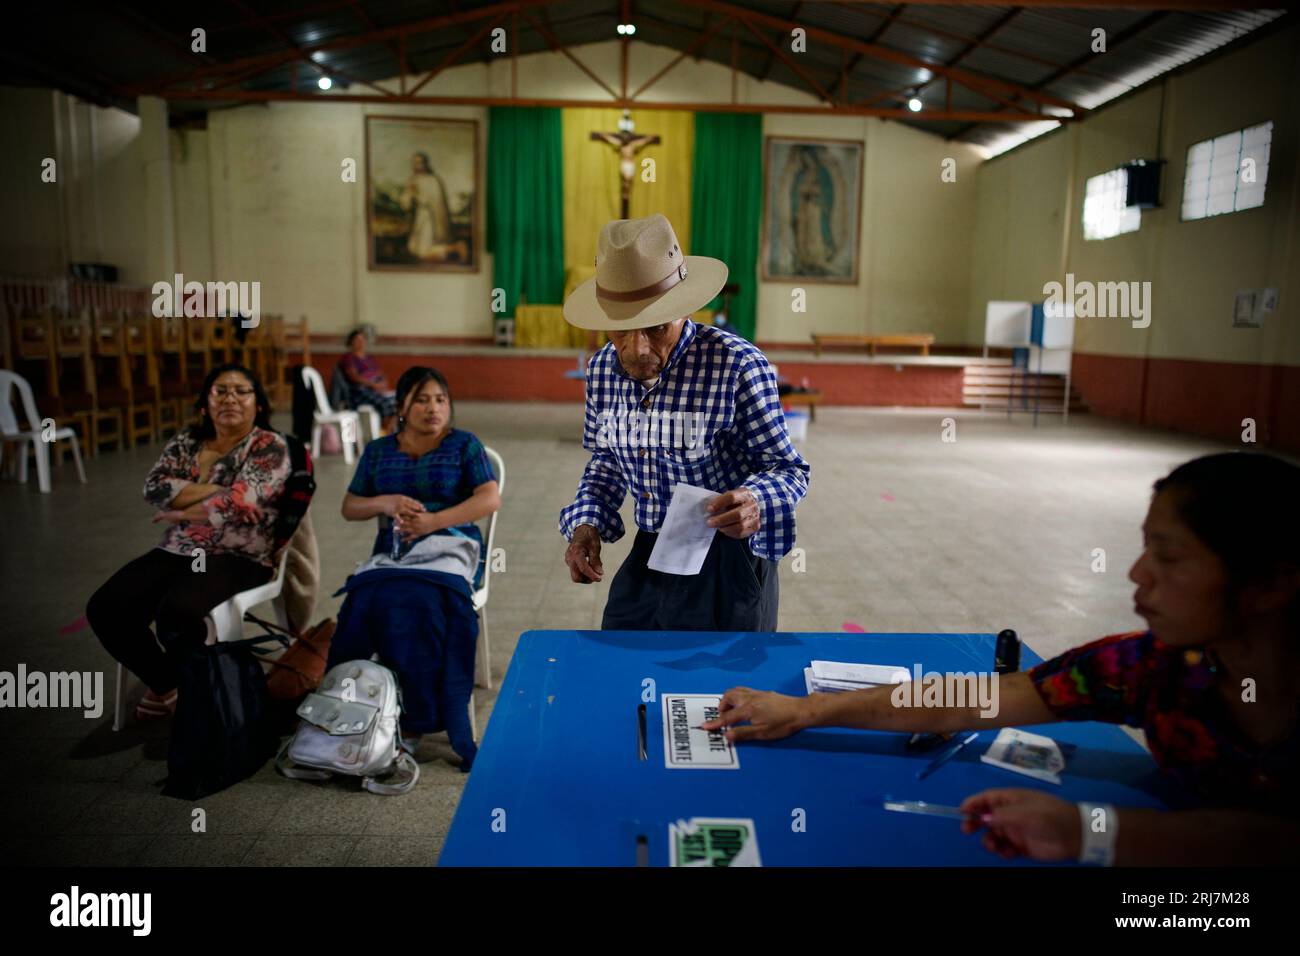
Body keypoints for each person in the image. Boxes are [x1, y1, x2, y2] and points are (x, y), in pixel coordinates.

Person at [702, 452, 1300, 866]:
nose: (1136, 575)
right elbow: (979, 698)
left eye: (1169, 558)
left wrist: (1088, 830)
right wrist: (806, 710)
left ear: (1271, 585)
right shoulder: (1155, 668)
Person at [558, 214, 810, 632]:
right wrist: (587, 523)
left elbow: (789, 471)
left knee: (721, 689)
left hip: (731, 559)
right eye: (621, 330)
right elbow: (606, 462)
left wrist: (755, 501)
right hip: (654, 549)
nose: (637, 350)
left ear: (683, 309)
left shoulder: (736, 364)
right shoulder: (603, 369)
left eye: (656, 328)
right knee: (624, 671)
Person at [87, 364, 291, 721]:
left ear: (258, 404)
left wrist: (189, 503)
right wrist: (218, 490)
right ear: (205, 403)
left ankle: (193, 689)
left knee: (177, 612)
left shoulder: (269, 446)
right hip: (181, 548)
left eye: (241, 391)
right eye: (220, 391)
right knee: (107, 607)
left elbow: (244, 501)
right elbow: (154, 488)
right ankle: (170, 686)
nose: (230, 398)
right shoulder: (188, 441)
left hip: (240, 552)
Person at [335, 366, 500, 765]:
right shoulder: (378, 451)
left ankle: (417, 719)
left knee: (420, 604)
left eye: (441, 399)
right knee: (364, 602)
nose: (433, 408)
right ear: (402, 407)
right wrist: (385, 502)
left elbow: (489, 498)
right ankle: (356, 707)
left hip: (451, 548)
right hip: (393, 554)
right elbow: (350, 506)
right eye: (422, 400)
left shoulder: (464, 445)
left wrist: (433, 522)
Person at [338, 328, 397, 433]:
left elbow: (380, 374)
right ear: (351, 342)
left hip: (376, 389)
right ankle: (385, 435)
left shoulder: (370, 358)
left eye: (362, 339)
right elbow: (353, 376)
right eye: (357, 340)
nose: (360, 343)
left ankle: (388, 433)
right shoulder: (348, 358)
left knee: (398, 402)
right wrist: (373, 385)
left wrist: (382, 385)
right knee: (385, 404)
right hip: (359, 391)